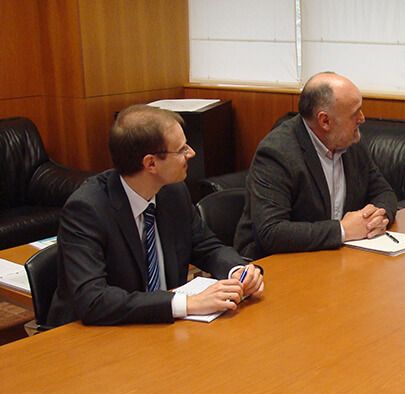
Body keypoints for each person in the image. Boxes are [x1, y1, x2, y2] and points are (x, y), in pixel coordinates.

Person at [48, 105, 264, 326]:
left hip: (162, 331)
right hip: (95, 339)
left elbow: (207, 247)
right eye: (181, 150)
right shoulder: (87, 210)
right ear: (150, 163)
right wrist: (186, 304)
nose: (191, 153)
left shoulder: (173, 192)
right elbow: (94, 300)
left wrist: (237, 271)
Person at [233, 72, 398, 259]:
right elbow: (271, 232)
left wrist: (378, 217)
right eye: (354, 113)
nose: (362, 118)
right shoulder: (277, 153)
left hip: (333, 257)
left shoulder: (351, 143)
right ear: (324, 121)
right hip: (276, 264)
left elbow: (384, 192)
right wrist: (342, 230)